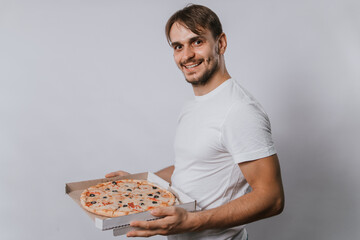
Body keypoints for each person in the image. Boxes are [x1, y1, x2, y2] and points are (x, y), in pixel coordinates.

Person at [106, 4, 284, 239]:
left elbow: (272, 198)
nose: (187, 55)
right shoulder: (194, 104)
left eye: (197, 42)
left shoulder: (240, 111)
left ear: (220, 43)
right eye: (178, 46)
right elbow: (191, 166)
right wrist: (138, 185)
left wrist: (192, 221)